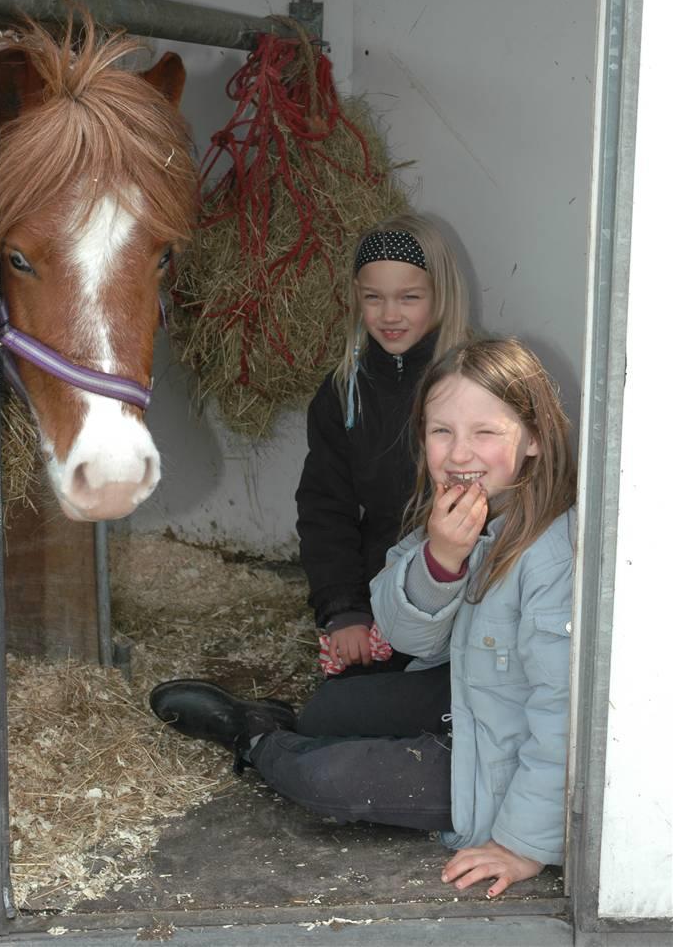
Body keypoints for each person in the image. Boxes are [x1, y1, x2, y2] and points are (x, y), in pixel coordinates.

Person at [150, 336, 576, 898]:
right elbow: (404, 633)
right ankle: (292, 725)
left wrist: (521, 844)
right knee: (330, 708)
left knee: (324, 778)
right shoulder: (464, 515)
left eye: (486, 432)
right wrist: (442, 559)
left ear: (535, 440)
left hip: (500, 763)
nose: (459, 453)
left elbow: (560, 715)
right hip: (470, 698)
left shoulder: (553, 553)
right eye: (440, 431)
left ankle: (253, 738)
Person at [296, 211, 471, 679]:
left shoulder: (476, 383)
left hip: (470, 608)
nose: (390, 315)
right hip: (381, 607)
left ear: (441, 295)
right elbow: (325, 509)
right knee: (336, 721)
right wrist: (345, 611)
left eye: (409, 298)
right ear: (357, 298)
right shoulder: (342, 392)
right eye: (374, 298)